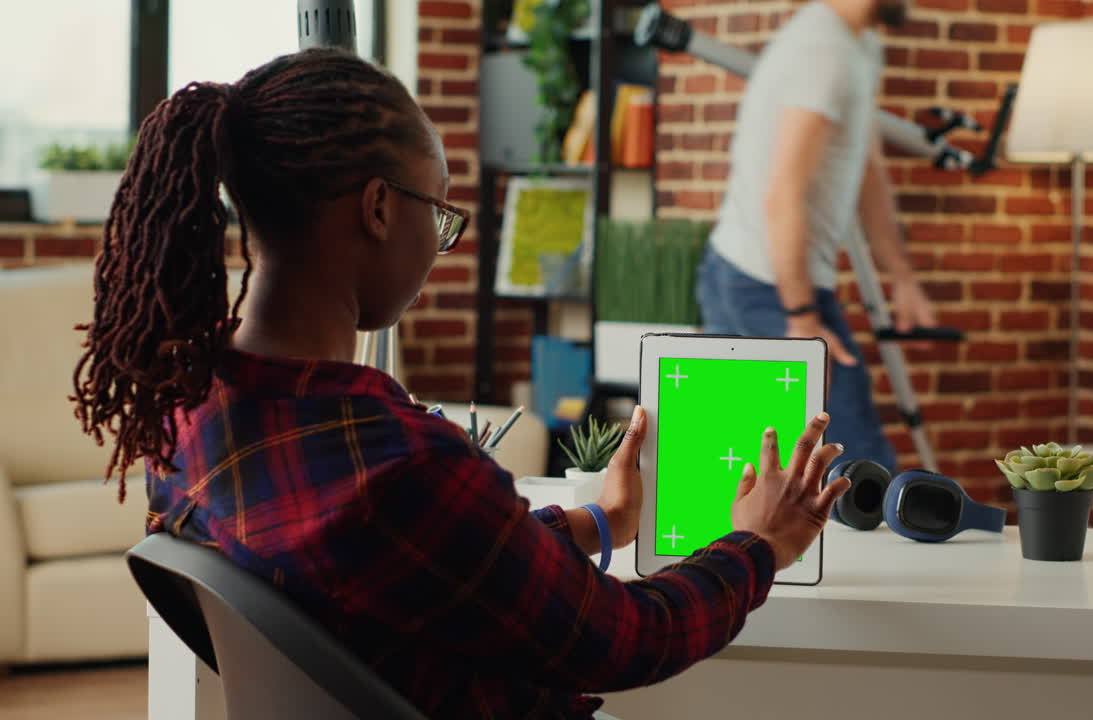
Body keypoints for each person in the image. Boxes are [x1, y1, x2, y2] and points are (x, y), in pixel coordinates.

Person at [70, 49, 851, 719]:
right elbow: (627, 638)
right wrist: (758, 542)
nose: (440, 241)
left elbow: (399, 573)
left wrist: (596, 525)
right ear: (378, 207)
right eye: (438, 211)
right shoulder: (398, 466)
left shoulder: (185, 401)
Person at [696, 0, 935, 474]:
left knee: (762, 476)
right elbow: (784, 191)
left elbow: (866, 169)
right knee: (860, 474)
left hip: (753, 278)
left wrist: (902, 276)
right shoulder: (822, 52)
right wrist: (802, 320)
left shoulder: (859, 44)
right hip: (764, 286)